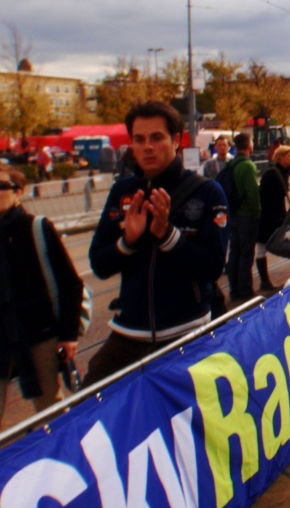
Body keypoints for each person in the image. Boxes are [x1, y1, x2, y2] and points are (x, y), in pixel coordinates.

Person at [87, 102, 228, 385]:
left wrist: (167, 236)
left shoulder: (207, 192)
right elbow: (99, 265)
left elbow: (212, 266)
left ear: (176, 140)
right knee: (85, 411)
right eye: (139, 139)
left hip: (186, 333)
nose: (147, 147)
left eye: (156, 137)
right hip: (128, 333)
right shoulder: (123, 191)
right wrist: (127, 242)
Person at [0, 164, 83, 425]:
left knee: (49, 409)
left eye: (2, 186)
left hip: (39, 333)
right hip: (1, 335)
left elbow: (71, 283)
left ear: (19, 192)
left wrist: (69, 335)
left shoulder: (37, 228)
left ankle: (62, 458)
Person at [225, 133, 262, 300]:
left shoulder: (230, 163)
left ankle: (234, 290)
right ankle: (245, 290)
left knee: (235, 252)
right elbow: (252, 194)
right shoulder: (247, 166)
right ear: (248, 145)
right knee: (246, 254)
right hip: (246, 215)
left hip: (233, 215)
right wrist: (257, 212)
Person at [255, 145, 290, 292]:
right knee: (261, 247)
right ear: (280, 157)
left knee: (264, 246)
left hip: (274, 216)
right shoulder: (272, 173)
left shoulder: (284, 172)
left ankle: (265, 281)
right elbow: (266, 197)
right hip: (267, 217)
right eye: (289, 156)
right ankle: (264, 281)